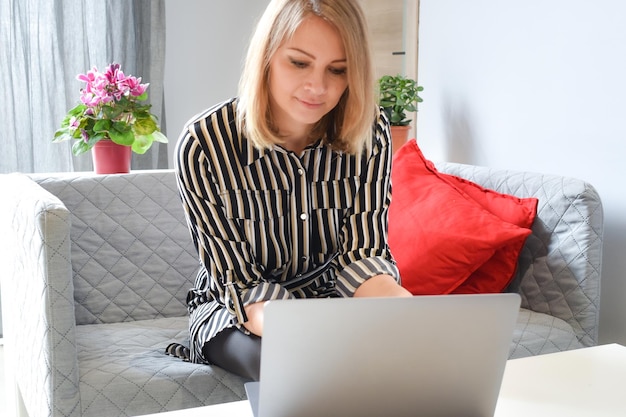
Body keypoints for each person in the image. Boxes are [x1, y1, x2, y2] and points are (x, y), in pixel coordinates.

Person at [174, 0, 412, 382]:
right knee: (287, 368)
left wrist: (406, 314)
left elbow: (362, 255)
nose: (318, 87)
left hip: (333, 303)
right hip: (241, 310)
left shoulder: (371, 132)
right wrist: (309, 334)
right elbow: (240, 282)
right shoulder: (203, 146)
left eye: (338, 70)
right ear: (266, 57)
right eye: (299, 63)